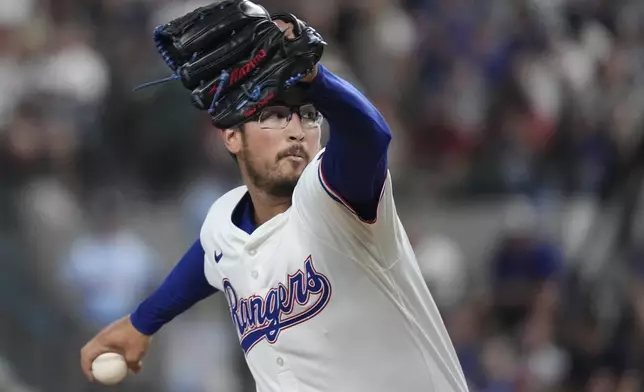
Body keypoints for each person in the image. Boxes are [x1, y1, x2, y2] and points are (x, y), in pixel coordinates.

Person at [80, 17, 468, 392]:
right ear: (231, 136)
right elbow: (211, 254)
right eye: (277, 115)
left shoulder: (333, 197)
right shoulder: (223, 222)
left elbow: (370, 137)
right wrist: (142, 322)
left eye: (310, 116)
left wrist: (316, 77)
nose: (298, 131)